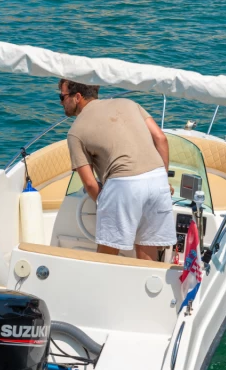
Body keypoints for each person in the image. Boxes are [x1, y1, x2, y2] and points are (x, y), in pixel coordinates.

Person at [58, 79, 176, 261]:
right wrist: (163, 179)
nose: (61, 102)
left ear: (77, 97)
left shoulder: (75, 131)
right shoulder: (129, 104)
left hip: (123, 185)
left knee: (107, 258)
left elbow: (89, 184)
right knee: (148, 257)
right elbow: (161, 139)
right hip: (157, 180)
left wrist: (105, 204)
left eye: (62, 96)